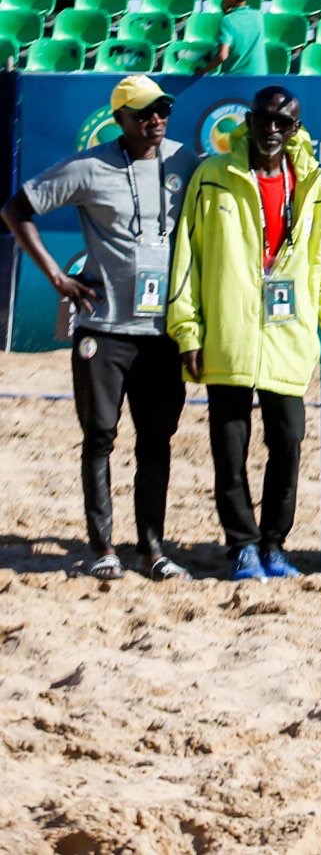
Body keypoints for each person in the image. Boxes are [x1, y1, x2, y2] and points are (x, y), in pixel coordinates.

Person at [166, 86, 321, 581]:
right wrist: (188, 331)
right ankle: (241, 546)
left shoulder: (317, 190)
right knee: (229, 447)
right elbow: (187, 261)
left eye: (285, 121)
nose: (273, 128)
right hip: (229, 334)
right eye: (265, 118)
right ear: (250, 120)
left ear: (297, 128)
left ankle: (275, 545)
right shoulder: (213, 176)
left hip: (287, 340)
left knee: (288, 442)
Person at [1, 76, 199, 581]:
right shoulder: (90, 165)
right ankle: (104, 546)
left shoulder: (186, 162)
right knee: (100, 437)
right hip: (104, 327)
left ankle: (152, 548)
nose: (155, 119)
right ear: (121, 120)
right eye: (143, 113)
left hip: (161, 331)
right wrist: (56, 276)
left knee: (156, 440)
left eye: (163, 109)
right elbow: (16, 208)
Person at [197, 0, 269, 74]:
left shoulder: (227, 20)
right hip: (260, 76)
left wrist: (204, 70)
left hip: (236, 79)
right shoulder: (258, 16)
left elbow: (223, 55)